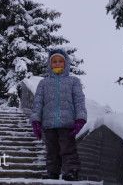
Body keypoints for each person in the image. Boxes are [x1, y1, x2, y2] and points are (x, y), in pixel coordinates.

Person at [30, 48, 87, 181]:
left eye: (60, 61)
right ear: (49, 64)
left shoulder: (73, 81)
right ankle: (52, 172)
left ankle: (71, 171)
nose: (57, 64)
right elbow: (38, 103)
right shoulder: (43, 83)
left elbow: (79, 100)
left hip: (67, 123)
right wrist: (36, 121)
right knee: (52, 151)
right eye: (54, 61)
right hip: (49, 124)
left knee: (68, 149)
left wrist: (80, 118)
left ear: (66, 63)